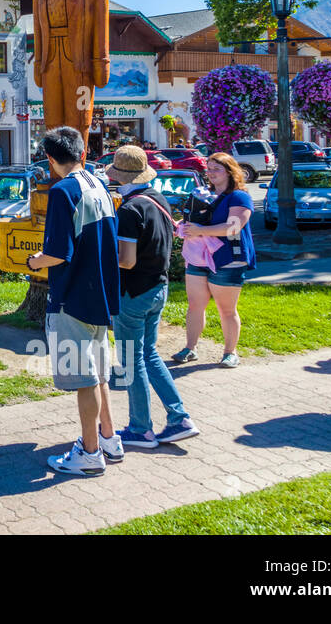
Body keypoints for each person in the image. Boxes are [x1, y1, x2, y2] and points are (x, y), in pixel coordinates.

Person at [25, 126, 121, 477]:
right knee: (99, 373)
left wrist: (34, 262)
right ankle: (109, 438)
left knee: (83, 378)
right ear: (82, 152)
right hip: (100, 291)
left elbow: (57, 253)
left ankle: (90, 452)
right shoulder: (99, 185)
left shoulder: (63, 191)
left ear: (50, 159)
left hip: (73, 296)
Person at [106, 146, 199, 448]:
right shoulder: (158, 200)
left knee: (132, 362)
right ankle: (178, 417)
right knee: (149, 354)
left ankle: (141, 428)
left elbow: (127, 260)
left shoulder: (130, 210)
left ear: (120, 177)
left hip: (133, 293)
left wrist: (100, 254)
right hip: (158, 288)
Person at [172, 152, 255, 368]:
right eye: (208, 168)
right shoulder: (204, 194)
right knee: (194, 306)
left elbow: (233, 227)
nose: (210, 173)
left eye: (216, 169)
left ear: (230, 171)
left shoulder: (239, 197)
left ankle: (230, 352)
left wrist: (200, 230)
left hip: (228, 259)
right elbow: (195, 219)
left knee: (226, 310)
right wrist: (183, 226)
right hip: (199, 259)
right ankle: (190, 348)